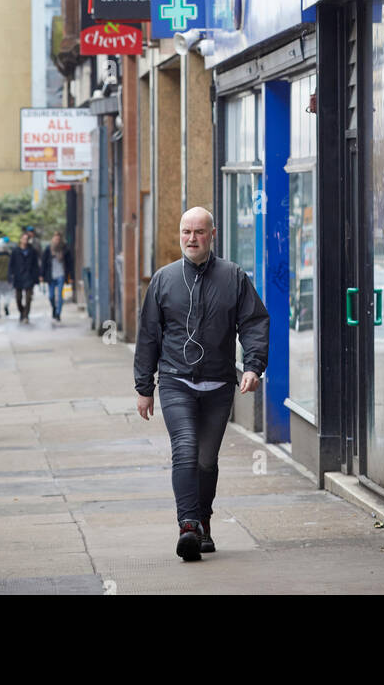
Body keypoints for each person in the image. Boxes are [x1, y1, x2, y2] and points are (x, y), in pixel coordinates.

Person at [134, 206, 269, 562]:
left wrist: (253, 367)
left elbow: (254, 323)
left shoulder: (234, 277)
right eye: (186, 232)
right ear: (179, 235)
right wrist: (144, 386)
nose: (191, 239)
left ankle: (204, 520)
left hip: (218, 385)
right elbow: (149, 335)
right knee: (185, 448)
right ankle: (188, 525)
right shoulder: (163, 279)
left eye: (199, 232)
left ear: (212, 235)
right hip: (176, 381)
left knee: (207, 460)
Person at [8, 229, 40, 323]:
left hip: (29, 277)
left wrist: (37, 276)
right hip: (18, 277)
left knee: (28, 298)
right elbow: (11, 264)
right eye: (24, 238)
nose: (25, 240)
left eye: (27, 238)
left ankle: (26, 315)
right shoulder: (15, 251)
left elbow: (36, 265)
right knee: (18, 299)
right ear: (21, 240)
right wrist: (10, 275)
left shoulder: (32, 251)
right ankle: (22, 312)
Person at [41, 231, 72, 322]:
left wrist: (71, 276)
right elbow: (44, 262)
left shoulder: (65, 249)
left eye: (59, 239)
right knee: (51, 296)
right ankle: (54, 308)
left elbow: (70, 263)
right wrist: (41, 275)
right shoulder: (48, 249)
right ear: (53, 239)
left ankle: (58, 313)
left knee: (59, 295)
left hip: (61, 274)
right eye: (55, 238)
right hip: (51, 275)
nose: (57, 240)